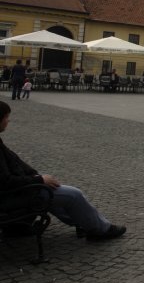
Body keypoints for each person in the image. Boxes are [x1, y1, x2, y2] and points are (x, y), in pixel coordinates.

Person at [0, 100, 126, 240]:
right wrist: (39, 179)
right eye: (6, 117)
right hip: (11, 197)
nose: (8, 120)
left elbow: (14, 161)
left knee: (54, 188)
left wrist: (36, 176)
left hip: (15, 191)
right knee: (73, 195)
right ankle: (100, 230)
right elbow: (5, 181)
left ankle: (83, 222)